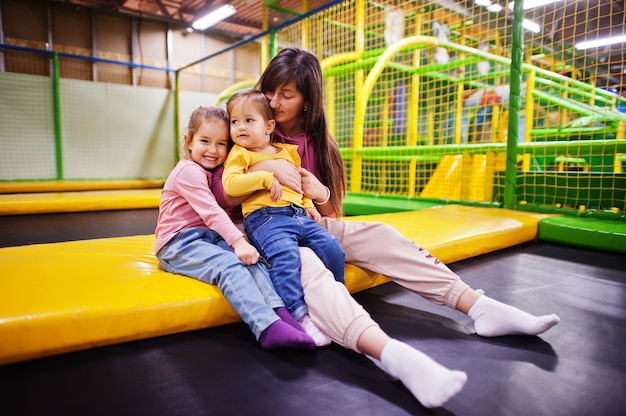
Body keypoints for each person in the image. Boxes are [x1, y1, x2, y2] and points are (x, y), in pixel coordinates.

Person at [212, 47, 560, 408]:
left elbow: (334, 212)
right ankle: (392, 355)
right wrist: (260, 173)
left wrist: (321, 192)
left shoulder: (320, 144)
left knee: (381, 234)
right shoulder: (243, 130)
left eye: (286, 95)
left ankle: (479, 307)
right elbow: (219, 195)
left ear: (307, 101)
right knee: (308, 267)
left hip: (309, 220)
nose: (273, 101)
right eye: (270, 91)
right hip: (263, 229)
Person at [154, 105, 315, 351]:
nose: (212, 150)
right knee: (230, 266)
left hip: (208, 238)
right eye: (204, 141)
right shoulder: (188, 172)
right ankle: (266, 328)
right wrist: (238, 242)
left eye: (221, 144)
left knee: (255, 262)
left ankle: (282, 314)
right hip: (178, 244)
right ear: (189, 141)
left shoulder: (215, 171)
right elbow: (211, 211)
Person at [222, 90, 344, 346]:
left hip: (298, 215)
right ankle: (300, 316)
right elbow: (231, 185)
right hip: (264, 218)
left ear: (269, 126)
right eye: (234, 121)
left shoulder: (288, 151)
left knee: (331, 246)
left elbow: (299, 181)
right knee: (286, 257)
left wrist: (309, 203)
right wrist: (265, 177)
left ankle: (337, 300)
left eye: (248, 121)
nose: (240, 127)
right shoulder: (240, 154)